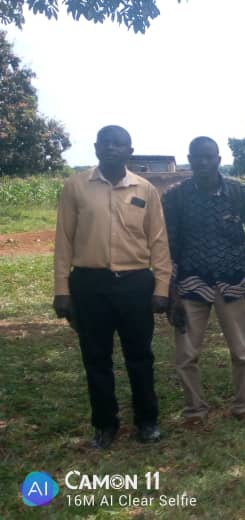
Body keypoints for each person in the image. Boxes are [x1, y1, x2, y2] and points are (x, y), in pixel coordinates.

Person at [53, 125, 172, 449]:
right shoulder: (76, 187)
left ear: (129, 152)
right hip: (89, 284)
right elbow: (63, 241)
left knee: (140, 356)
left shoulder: (145, 189)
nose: (111, 148)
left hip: (135, 284)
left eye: (118, 144)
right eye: (105, 143)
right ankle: (105, 425)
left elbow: (159, 242)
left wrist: (161, 288)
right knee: (96, 358)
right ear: (95, 148)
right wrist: (62, 289)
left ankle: (147, 421)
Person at [162, 136, 245, 425]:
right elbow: (168, 246)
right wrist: (171, 291)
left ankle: (244, 405)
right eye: (197, 157)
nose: (203, 162)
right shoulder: (175, 197)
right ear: (189, 159)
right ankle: (195, 410)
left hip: (232, 284)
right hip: (190, 285)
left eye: (209, 157)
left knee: (242, 352)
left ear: (219, 160)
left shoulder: (240, 194)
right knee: (186, 354)